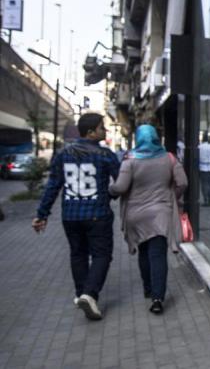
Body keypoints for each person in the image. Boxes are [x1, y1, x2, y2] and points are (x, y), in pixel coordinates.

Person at [33, 113, 120, 321]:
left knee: (78, 254)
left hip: (70, 215)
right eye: (101, 127)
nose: (105, 131)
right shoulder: (105, 154)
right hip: (97, 213)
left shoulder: (63, 154)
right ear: (90, 132)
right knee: (102, 255)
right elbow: (120, 182)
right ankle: (89, 294)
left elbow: (53, 186)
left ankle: (82, 293)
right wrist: (109, 195)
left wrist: (42, 214)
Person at [109, 125, 187, 314]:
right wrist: (172, 196)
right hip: (161, 212)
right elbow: (183, 182)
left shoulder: (130, 160)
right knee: (158, 254)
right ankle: (158, 298)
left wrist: (109, 190)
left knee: (143, 251)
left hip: (136, 214)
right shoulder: (169, 158)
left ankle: (148, 288)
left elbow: (120, 187)